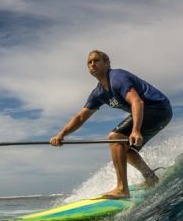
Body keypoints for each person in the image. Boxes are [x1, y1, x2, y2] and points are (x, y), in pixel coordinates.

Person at [50, 50, 172, 199]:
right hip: (151, 112)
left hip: (158, 108)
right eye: (89, 62)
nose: (92, 64)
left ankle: (122, 189)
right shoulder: (98, 93)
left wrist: (135, 130)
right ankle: (151, 178)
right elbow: (81, 117)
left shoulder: (117, 78)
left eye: (96, 60)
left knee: (114, 137)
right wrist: (61, 135)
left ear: (107, 63)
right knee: (123, 147)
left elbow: (137, 101)